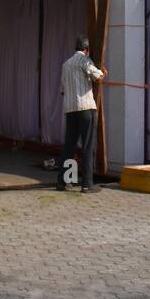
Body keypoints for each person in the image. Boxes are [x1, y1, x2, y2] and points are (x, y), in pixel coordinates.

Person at [57, 34, 107, 194]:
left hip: (70, 109)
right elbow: (97, 76)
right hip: (85, 108)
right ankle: (87, 184)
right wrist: (104, 73)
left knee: (69, 146)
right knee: (87, 146)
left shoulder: (66, 64)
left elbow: (63, 90)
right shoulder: (85, 60)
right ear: (86, 50)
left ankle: (63, 182)